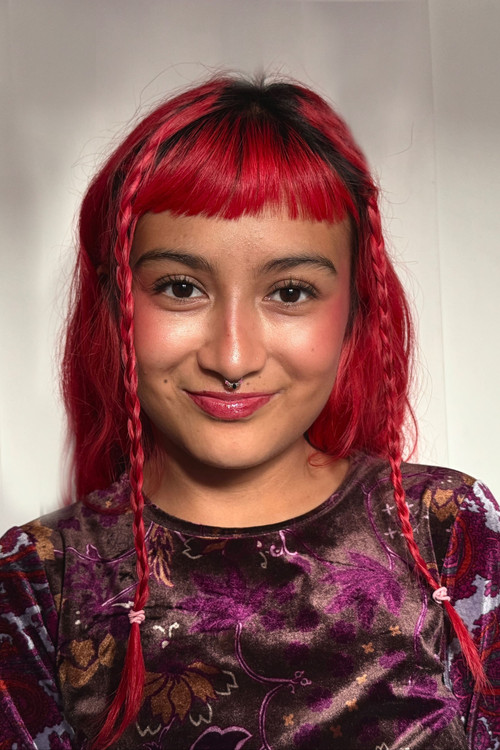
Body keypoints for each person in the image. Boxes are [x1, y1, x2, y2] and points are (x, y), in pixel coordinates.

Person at [0, 75, 498, 750]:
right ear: (116, 302)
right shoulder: (37, 580)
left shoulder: (450, 531)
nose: (232, 356)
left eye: (290, 292)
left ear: (355, 309)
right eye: (181, 288)